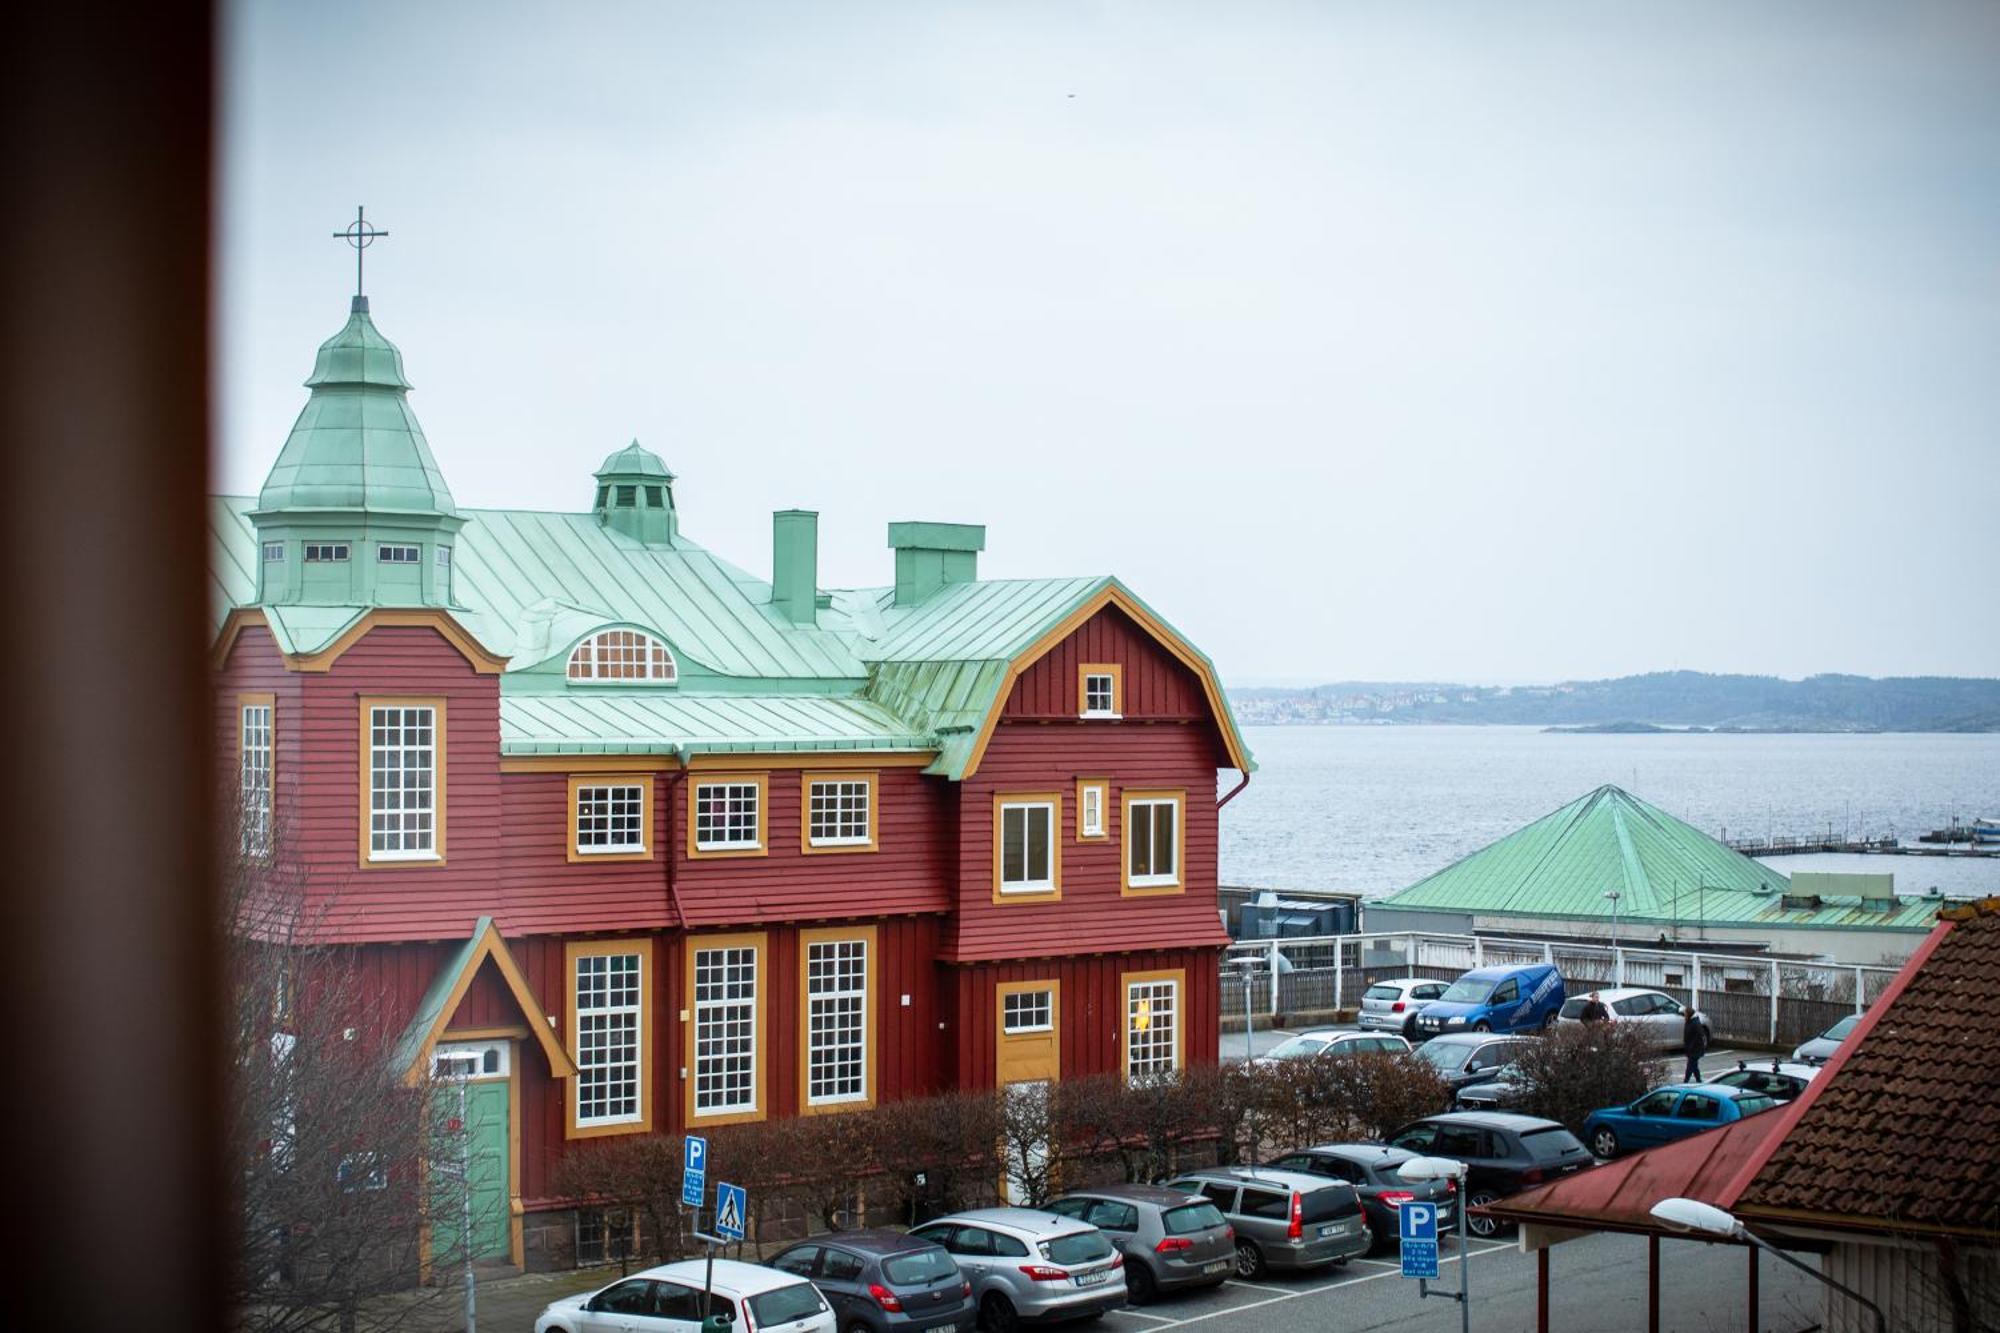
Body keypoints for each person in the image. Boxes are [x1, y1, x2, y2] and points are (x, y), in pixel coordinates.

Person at [1682, 1007, 1710, 1081]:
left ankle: (1685, 1082)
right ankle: (1699, 1081)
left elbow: (1698, 1036)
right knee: (1694, 1066)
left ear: (1688, 1014)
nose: (1684, 1015)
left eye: (1685, 1013)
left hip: (1695, 1050)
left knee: (1690, 1067)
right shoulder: (1689, 1022)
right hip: (1691, 1050)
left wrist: (1691, 1047)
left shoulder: (1695, 1023)